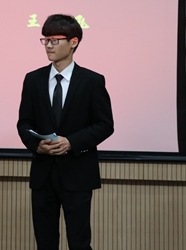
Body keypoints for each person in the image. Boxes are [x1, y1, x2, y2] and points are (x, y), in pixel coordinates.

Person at [17, 14, 114, 250]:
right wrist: (36, 144)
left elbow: (105, 125)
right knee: (45, 243)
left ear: (73, 42)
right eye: (45, 40)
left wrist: (71, 142)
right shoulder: (33, 79)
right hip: (43, 174)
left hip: (78, 173)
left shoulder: (92, 81)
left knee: (79, 243)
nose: (48, 46)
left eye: (55, 40)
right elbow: (24, 123)